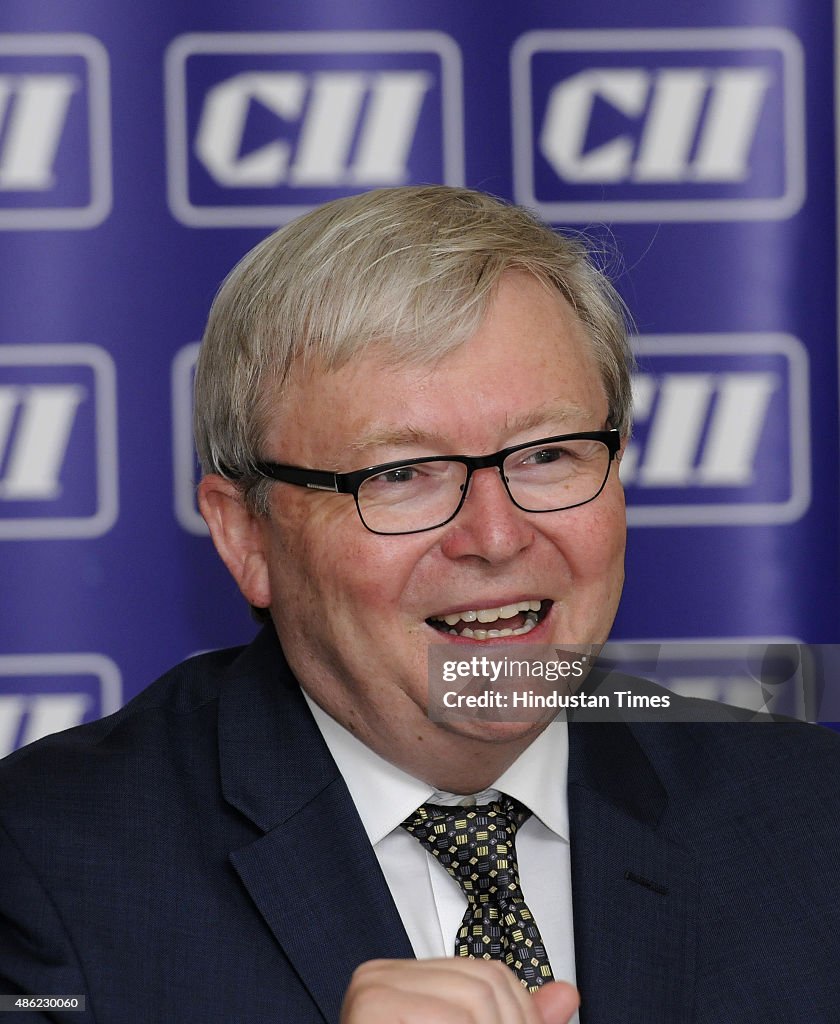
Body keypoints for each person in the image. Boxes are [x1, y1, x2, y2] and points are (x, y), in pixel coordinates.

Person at [1, 185, 838, 1024]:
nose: (498, 536)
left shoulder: (811, 824)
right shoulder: (45, 866)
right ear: (247, 538)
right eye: (400, 475)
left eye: (546, 454)